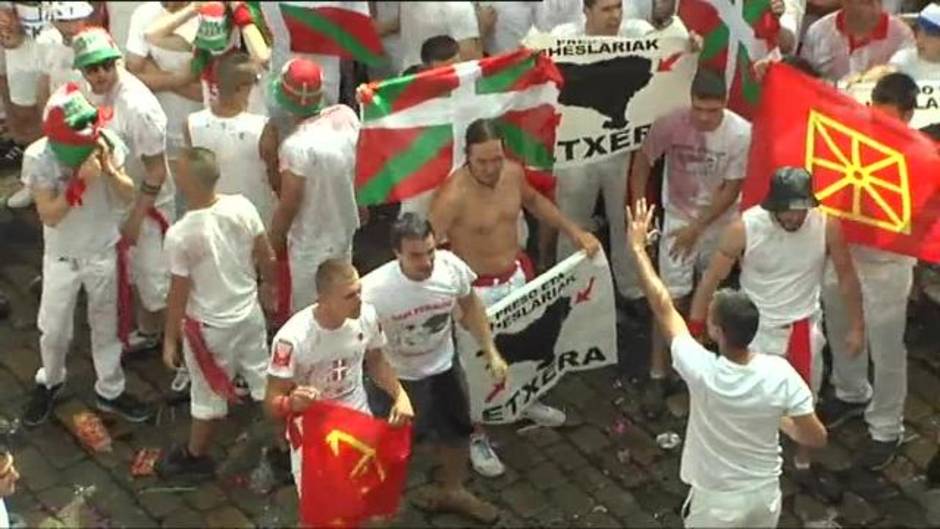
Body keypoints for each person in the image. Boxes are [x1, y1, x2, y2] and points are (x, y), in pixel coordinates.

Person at [626, 197, 827, 529]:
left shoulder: (701, 369)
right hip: (764, 496)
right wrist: (782, 423)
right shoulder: (780, 374)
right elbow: (816, 437)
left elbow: (662, 306)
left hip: (717, 502)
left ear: (717, 331)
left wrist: (636, 249)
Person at [429, 118, 601, 477]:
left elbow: (536, 202)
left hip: (516, 277)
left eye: (496, 158)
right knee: (473, 366)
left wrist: (575, 231)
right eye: (482, 162)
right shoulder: (452, 195)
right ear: (467, 158)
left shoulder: (512, 173)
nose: (491, 168)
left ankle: (523, 399)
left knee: (526, 345)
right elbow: (428, 249)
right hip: (475, 291)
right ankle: (475, 433)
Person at [689, 166, 864, 503]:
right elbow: (712, 278)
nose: (795, 217)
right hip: (756, 330)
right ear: (774, 205)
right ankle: (742, 462)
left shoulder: (826, 225)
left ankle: (802, 463)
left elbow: (846, 275)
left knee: (805, 400)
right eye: (789, 210)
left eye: (801, 210)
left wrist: (857, 325)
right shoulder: (745, 228)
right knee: (744, 401)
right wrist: (698, 325)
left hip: (801, 327)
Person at [21, 84, 153, 426]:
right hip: (62, 256)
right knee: (53, 328)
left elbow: (127, 196)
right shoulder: (39, 156)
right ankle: (50, 378)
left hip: (100, 250)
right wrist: (78, 184)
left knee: (105, 323)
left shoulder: (106, 143)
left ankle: (110, 388)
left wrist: (110, 172)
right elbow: (49, 213)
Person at [362, 214, 507, 523]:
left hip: (443, 365)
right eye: (416, 255)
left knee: (456, 430)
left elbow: (470, 306)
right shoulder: (374, 292)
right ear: (396, 253)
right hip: (397, 376)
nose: (427, 262)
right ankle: (383, 505)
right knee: (389, 447)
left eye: (430, 251)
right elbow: (370, 353)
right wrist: (396, 393)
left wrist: (490, 350)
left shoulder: (450, 267)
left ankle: (453, 490)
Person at [627, 69, 751, 418]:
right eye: (699, 109)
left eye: (713, 111)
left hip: (719, 223)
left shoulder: (741, 133)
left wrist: (697, 228)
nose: (705, 117)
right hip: (678, 216)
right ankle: (658, 372)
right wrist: (641, 212)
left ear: (724, 106)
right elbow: (643, 162)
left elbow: (732, 189)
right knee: (668, 297)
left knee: (713, 300)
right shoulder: (670, 123)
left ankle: (704, 373)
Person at [817, 73, 919, 471]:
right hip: (847, 251)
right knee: (839, 322)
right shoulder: (855, 135)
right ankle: (850, 389)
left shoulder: (921, 156)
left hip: (889, 266)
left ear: (908, 116)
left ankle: (886, 427)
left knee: (886, 345)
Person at [156, 147, 276, 478]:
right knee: (263, 379)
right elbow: (266, 255)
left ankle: (195, 455)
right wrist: (270, 287)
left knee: (206, 395)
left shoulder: (180, 235)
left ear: (186, 183)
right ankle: (285, 442)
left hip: (210, 328)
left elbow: (178, 293)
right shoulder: (242, 206)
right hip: (248, 313)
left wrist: (169, 338)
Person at [264, 259, 414, 496]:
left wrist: (399, 394)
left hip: (357, 415)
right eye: (349, 296)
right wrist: (290, 403)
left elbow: (376, 360)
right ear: (324, 299)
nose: (359, 301)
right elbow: (271, 401)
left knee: (369, 499)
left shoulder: (367, 316)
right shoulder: (292, 339)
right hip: (314, 426)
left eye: (359, 291)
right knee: (323, 508)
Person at [75, 26, 173, 354]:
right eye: (92, 68)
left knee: (155, 278)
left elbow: (157, 171)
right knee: (130, 271)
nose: (101, 74)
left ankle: (172, 340)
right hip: (116, 194)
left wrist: (136, 216)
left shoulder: (138, 107)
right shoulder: (90, 93)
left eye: (107, 65)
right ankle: (145, 329)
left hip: (148, 202)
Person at [551, 0, 653, 312]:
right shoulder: (563, 37)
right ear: (587, 11)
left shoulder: (636, 31)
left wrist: (689, 44)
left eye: (618, 7)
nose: (615, 16)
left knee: (623, 221)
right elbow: (534, 59)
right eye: (606, 9)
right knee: (573, 222)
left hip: (619, 148)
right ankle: (569, 290)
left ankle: (631, 289)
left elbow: (669, 44)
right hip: (577, 151)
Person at [268, 58, 362, 318]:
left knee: (310, 313)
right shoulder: (346, 115)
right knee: (344, 298)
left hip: (310, 244)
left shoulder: (296, 147)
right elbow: (362, 166)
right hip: (344, 229)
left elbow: (289, 204)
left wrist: (270, 246)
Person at [186, 51, 279, 227]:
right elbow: (276, 182)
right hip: (255, 222)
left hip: (210, 222)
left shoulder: (192, 124)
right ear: (243, 88)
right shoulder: (262, 129)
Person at [145, 1, 270, 115]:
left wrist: (238, 10)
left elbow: (262, 56)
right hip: (214, 126)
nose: (212, 34)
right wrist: (193, 8)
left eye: (218, 27)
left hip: (250, 127)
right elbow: (151, 35)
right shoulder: (202, 49)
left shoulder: (246, 48)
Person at [124, 1, 202, 169]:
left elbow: (206, 91)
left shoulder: (211, 16)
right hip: (158, 133)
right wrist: (182, 79)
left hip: (201, 134)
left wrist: (156, 74)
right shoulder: (144, 13)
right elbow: (133, 73)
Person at [799, 0, 914, 82]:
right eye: (867, 2)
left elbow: (905, 78)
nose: (876, 8)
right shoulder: (818, 31)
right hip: (829, 107)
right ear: (846, 3)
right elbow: (804, 79)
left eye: (879, 1)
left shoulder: (901, 33)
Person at [35, 1, 94, 110]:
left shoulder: (97, 44)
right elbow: (43, 83)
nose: (71, 27)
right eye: (64, 21)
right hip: (58, 110)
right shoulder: (46, 43)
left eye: (76, 20)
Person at [398, 2, 481, 76]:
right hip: (445, 83)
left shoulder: (405, 4)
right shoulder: (459, 7)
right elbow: (470, 60)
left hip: (411, 81)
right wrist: (481, 28)